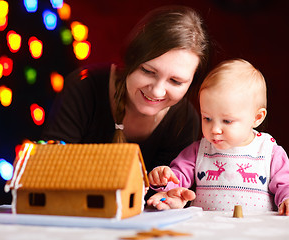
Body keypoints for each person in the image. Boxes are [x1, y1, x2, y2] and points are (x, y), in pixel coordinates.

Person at [42, 5, 210, 183]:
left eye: (175, 81)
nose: (157, 91)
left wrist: (171, 196)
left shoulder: (185, 120)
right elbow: (50, 169)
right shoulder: (83, 88)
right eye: (147, 71)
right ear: (130, 59)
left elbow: (164, 194)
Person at [147, 59, 289, 215]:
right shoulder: (199, 150)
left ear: (257, 118)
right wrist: (165, 179)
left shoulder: (269, 152)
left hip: (255, 229)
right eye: (207, 118)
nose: (214, 129)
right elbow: (177, 179)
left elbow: (286, 183)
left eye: (227, 121)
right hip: (208, 229)